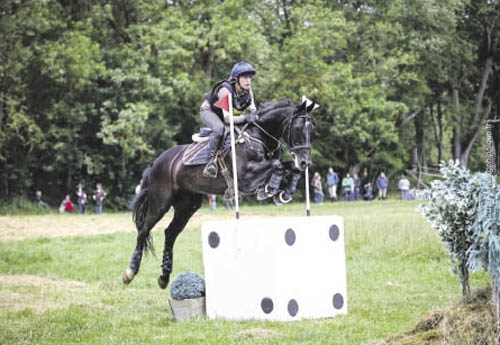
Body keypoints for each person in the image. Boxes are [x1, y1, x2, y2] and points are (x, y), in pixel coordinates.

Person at [200, 61, 257, 178]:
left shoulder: (248, 93)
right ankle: (210, 162)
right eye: (245, 77)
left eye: (250, 78)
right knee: (219, 128)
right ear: (236, 79)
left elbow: (254, 112)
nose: (248, 81)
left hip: (227, 115)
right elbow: (227, 119)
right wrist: (245, 117)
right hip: (209, 112)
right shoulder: (225, 91)